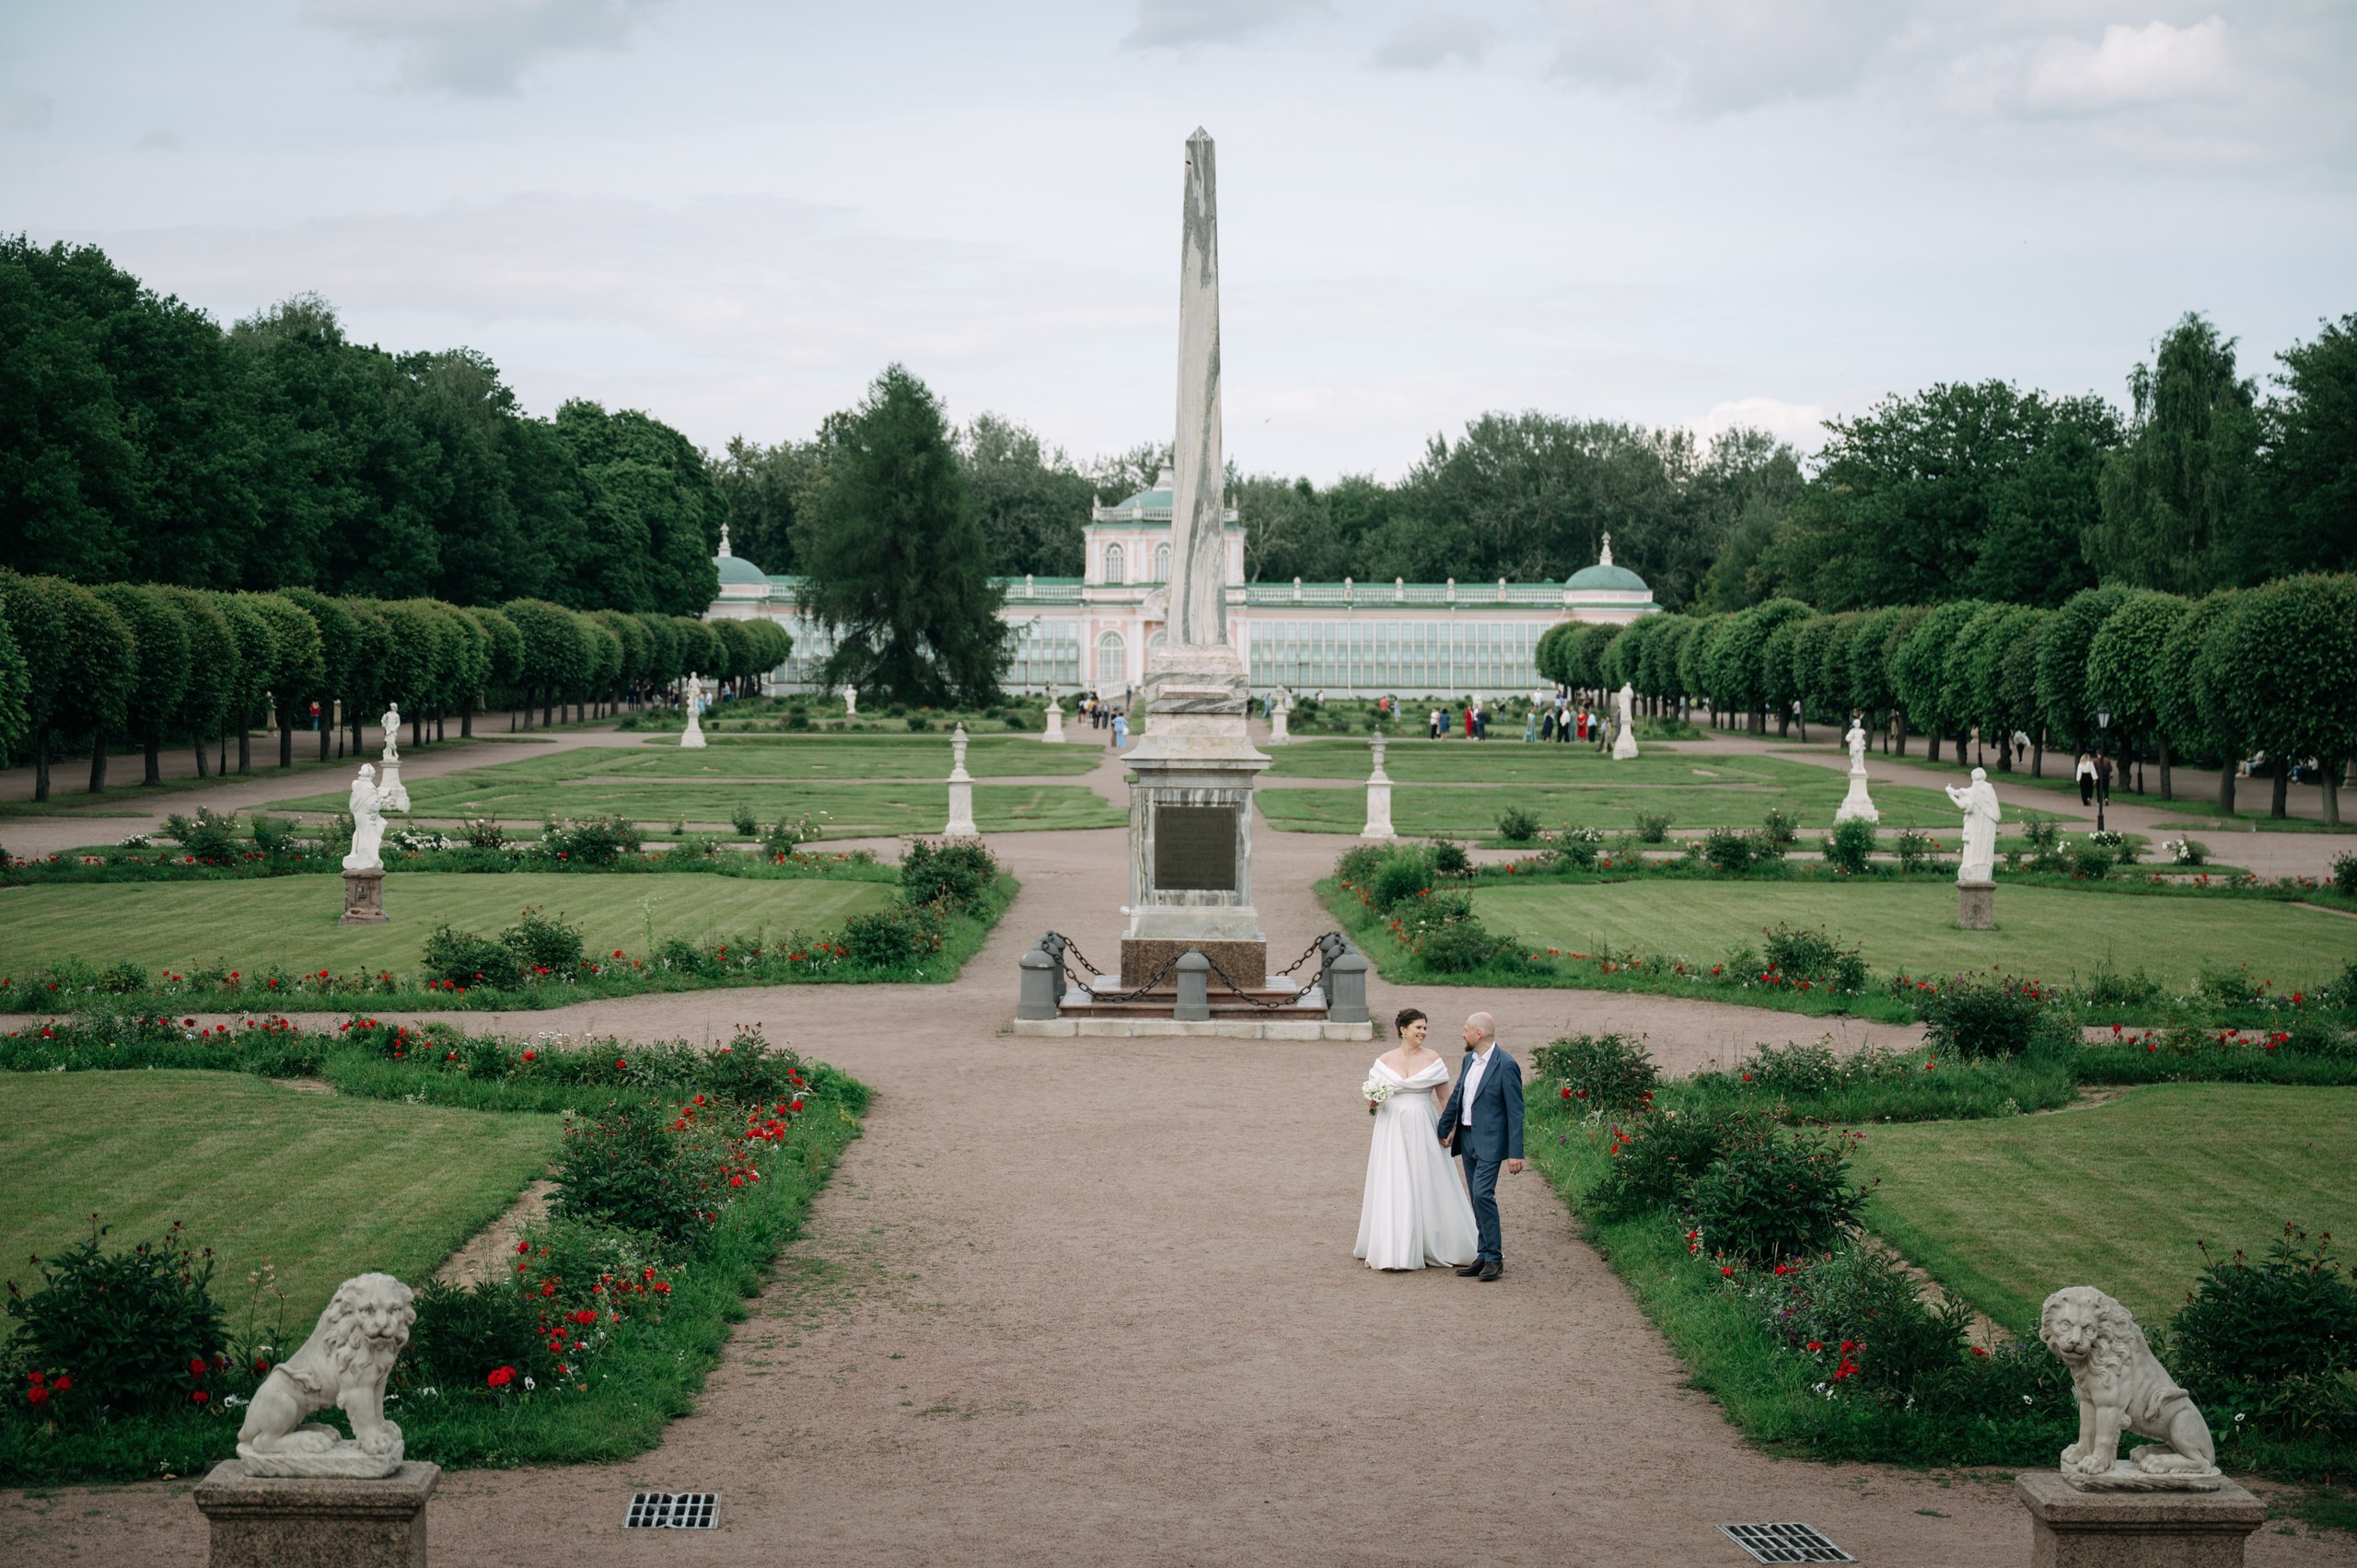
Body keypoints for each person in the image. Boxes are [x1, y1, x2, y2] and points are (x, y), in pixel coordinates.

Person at [1354, 1008, 1479, 1272]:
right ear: (1403, 1030)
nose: (1422, 1032)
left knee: (1428, 1179)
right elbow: (1372, 1102)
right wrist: (1373, 1099)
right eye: (1418, 1027)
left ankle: (1434, 1242)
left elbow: (1446, 1100)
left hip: (1423, 1123)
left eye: (1425, 1028)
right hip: (1392, 1125)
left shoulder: (1433, 1059)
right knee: (1394, 1178)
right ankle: (1393, 1246)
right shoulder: (1384, 1061)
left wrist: (1449, 1128)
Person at [1434, 1012, 1524, 1281]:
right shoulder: (1468, 1060)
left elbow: (1515, 1111)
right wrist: (1445, 1126)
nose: (1463, 1034)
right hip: (1468, 1137)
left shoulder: (1506, 1065)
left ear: (1479, 1034)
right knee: (1475, 1196)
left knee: (1483, 1194)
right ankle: (1483, 1254)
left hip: (1491, 1141)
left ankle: (1495, 1257)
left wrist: (1515, 1153)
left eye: (1466, 1029)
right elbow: (1458, 1096)